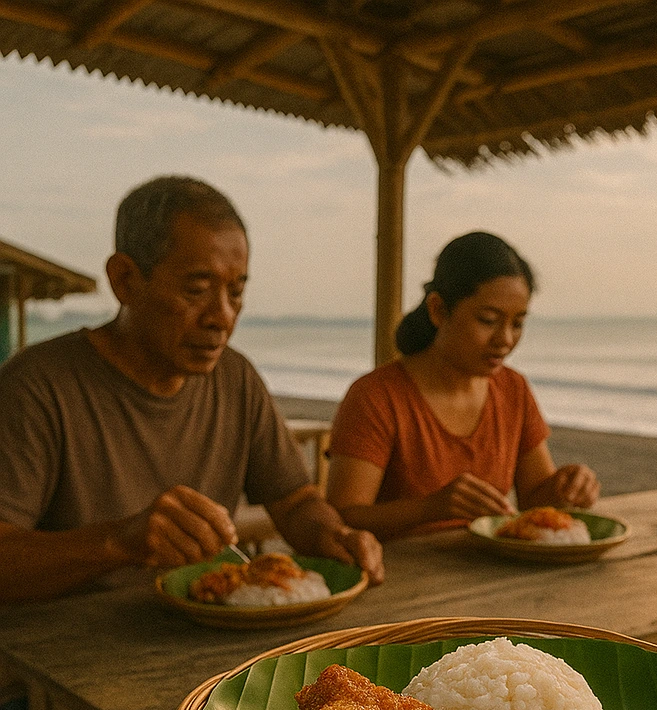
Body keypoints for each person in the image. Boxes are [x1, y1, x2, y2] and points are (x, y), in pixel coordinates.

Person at [0, 175, 384, 604]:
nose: (222, 316)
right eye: (196, 289)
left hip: (203, 634)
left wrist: (334, 535)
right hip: (60, 651)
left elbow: (293, 501)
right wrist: (119, 543)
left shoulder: (235, 378)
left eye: (236, 292)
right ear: (124, 279)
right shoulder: (38, 386)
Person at [327, 231, 600, 539]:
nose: (505, 340)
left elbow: (534, 500)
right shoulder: (376, 397)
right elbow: (342, 518)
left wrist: (567, 487)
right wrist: (430, 508)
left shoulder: (513, 389)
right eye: (487, 320)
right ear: (438, 310)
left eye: (518, 323)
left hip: (493, 573)